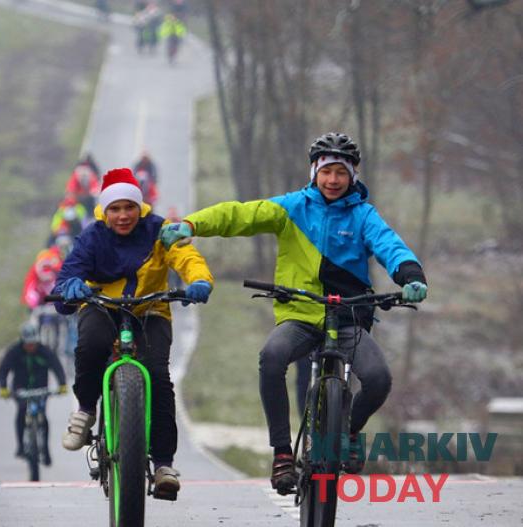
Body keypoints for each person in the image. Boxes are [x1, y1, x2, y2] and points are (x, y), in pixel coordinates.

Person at [159, 132, 429, 494]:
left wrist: (410, 274)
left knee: (378, 378)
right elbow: (239, 215)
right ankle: (283, 452)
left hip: (348, 316)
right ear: (314, 172)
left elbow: (389, 245)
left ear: (353, 176)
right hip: (301, 314)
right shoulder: (292, 208)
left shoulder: (364, 216)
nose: (333, 180)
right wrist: (192, 225)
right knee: (271, 358)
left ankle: (348, 430)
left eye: (341, 173)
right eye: (327, 171)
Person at [54, 168, 214, 498]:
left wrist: (198, 281)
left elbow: (185, 255)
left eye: (129, 207)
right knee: (91, 345)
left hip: (150, 308)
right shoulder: (92, 236)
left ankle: (163, 464)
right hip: (102, 306)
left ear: (139, 207)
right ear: (105, 211)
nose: (123, 215)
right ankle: (85, 409)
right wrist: (70, 286)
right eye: (115, 209)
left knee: (157, 374)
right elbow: (70, 271)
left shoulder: (159, 231)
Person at [0, 322, 69, 466]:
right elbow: (3, 369)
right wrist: (3, 387)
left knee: (43, 416)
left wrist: (62, 384)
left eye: (33, 343)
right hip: (20, 389)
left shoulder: (44, 351)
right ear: (22, 341)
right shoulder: (14, 351)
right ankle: (20, 447)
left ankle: (46, 450)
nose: (31, 347)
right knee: (21, 412)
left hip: (40, 389)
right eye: (28, 344)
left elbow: (57, 366)